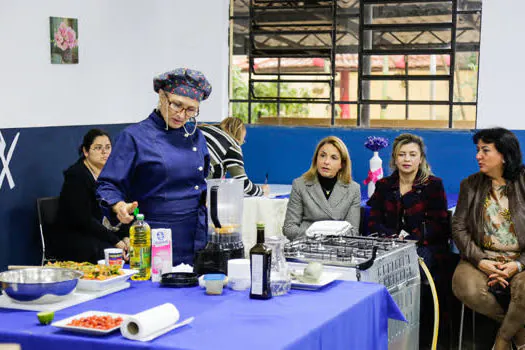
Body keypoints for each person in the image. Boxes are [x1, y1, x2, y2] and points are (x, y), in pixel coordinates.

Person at [97, 68, 212, 265]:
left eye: (191, 110)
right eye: (176, 105)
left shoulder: (196, 136)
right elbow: (107, 185)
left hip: (196, 233)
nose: (182, 115)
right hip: (153, 235)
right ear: (161, 96)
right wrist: (119, 206)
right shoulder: (135, 137)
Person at [366, 133, 451, 348]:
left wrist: (413, 238)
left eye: (412, 154)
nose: (407, 159)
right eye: (402, 154)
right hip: (389, 247)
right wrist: (392, 238)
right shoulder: (385, 185)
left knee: (407, 273)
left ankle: (416, 339)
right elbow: (373, 221)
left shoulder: (433, 185)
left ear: (421, 158)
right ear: (394, 158)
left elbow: (439, 225)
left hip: (424, 248)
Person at [452, 127, 525, 350]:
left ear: (504, 154)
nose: (478, 156)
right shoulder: (470, 185)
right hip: (481, 257)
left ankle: (502, 340)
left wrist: (518, 264)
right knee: (465, 286)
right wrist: (481, 261)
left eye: (485, 150)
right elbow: (459, 227)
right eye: (477, 150)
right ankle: (518, 334)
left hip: (520, 259)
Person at [55, 129, 129, 264]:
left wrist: (125, 237)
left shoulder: (114, 174)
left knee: (135, 247)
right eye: (98, 148)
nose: (104, 152)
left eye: (107, 147)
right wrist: (115, 241)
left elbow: (119, 210)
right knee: (110, 253)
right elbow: (83, 219)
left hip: (102, 234)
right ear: (86, 151)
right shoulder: (76, 176)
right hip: (77, 237)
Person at [282, 136, 361, 240]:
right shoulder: (300, 184)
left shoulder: (353, 189)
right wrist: (314, 236)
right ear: (316, 159)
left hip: (338, 249)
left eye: (333, 158)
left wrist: (329, 239)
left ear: (342, 164)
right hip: (306, 246)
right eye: (322, 156)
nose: (326, 162)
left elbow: (353, 231)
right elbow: (289, 228)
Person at [198, 117, 268, 196]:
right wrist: (261, 191)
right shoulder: (232, 144)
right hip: (197, 184)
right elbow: (242, 183)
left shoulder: (202, 129)